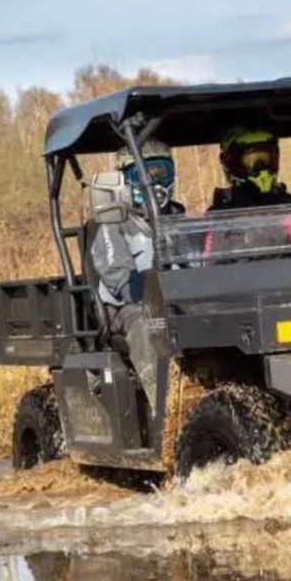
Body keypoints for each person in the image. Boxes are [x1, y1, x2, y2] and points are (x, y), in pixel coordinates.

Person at [89, 139, 179, 415]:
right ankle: (165, 409)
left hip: (175, 298)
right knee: (145, 324)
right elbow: (117, 274)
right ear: (126, 181)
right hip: (126, 306)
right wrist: (147, 290)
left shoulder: (179, 216)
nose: (154, 185)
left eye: (160, 174)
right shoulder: (112, 221)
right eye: (143, 176)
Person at [208, 127, 291, 211]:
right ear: (232, 163)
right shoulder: (221, 211)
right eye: (250, 161)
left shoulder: (288, 204)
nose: (260, 166)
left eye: (265, 159)